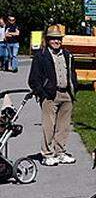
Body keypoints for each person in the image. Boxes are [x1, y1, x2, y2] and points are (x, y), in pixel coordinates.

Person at [27, 25, 78, 165]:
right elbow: (33, 79)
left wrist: (74, 88)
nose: (56, 42)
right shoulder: (41, 56)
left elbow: (72, 73)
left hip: (66, 94)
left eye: (58, 39)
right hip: (50, 95)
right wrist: (42, 93)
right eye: (53, 39)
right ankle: (47, 154)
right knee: (49, 126)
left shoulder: (67, 55)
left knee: (64, 126)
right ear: (48, 40)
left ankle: (60, 152)